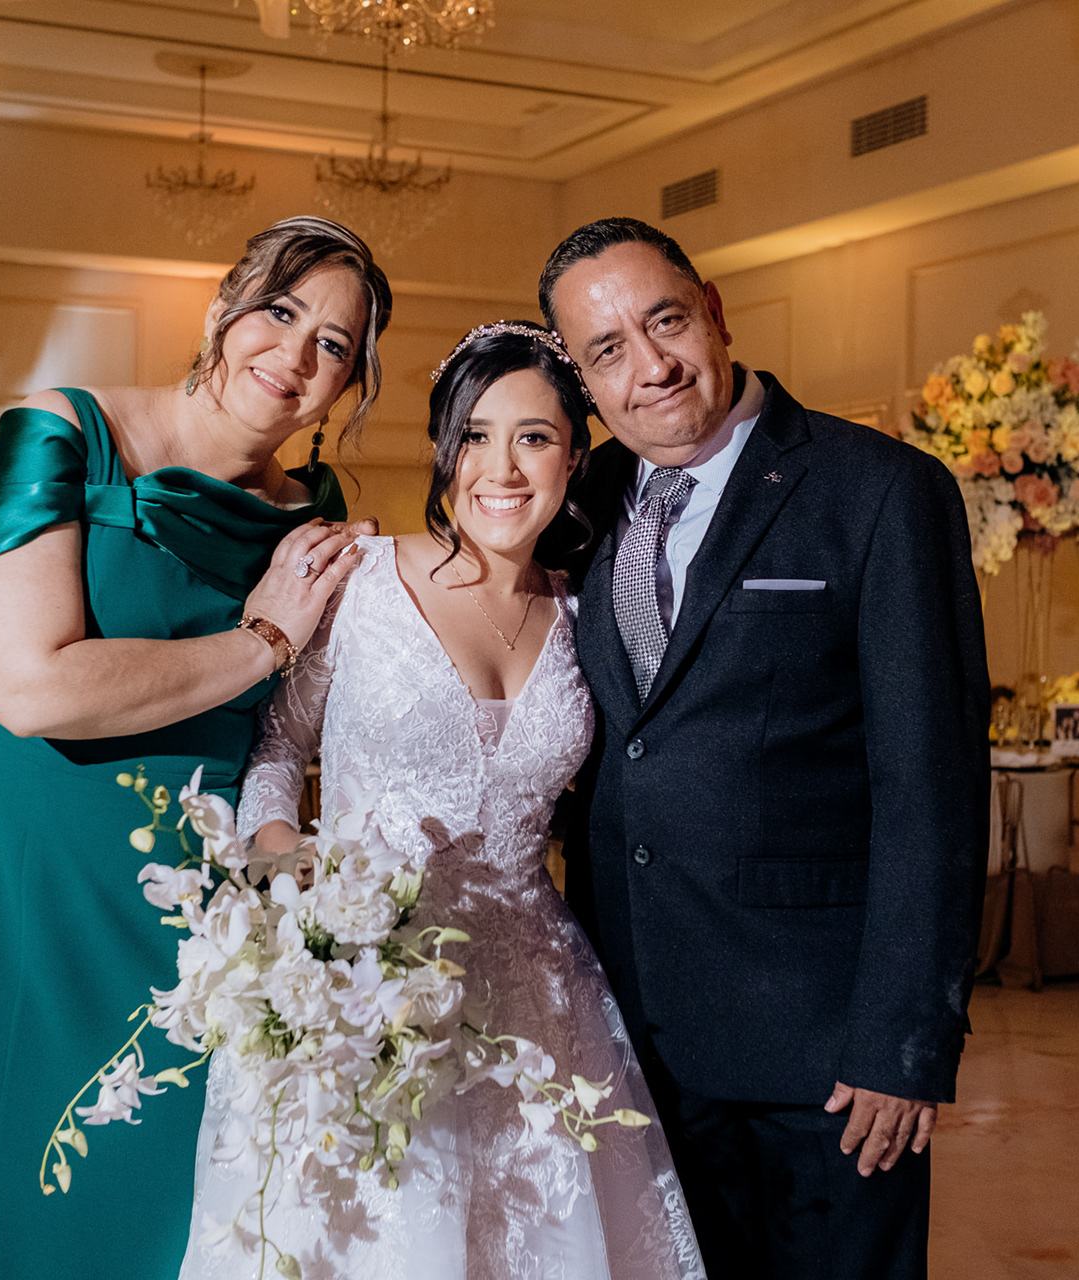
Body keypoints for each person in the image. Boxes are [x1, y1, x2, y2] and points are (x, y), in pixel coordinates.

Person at [0, 217, 392, 1280]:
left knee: (174, 1196)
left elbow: (300, 727)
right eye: (279, 311)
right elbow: (30, 685)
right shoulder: (65, 432)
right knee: (14, 1173)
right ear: (220, 309)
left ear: (345, 387)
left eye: (334, 345)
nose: (296, 355)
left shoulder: (315, 515)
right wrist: (260, 640)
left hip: (209, 908)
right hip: (39, 887)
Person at [179, 323, 707, 1280]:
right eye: (474, 435)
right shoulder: (358, 582)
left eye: (534, 438)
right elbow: (278, 746)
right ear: (440, 448)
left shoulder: (586, 616)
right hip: (358, 989)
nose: (501, 469)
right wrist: (281, 860)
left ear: (575, 456)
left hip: (536, 1000)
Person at [537, 217, 990, 1280]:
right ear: (582, 379)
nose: (651, 367)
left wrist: (903, 1042)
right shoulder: (578, 505)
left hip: (825, 1059)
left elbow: (932, 789)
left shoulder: (880, 491)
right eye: (608, 351)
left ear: (716, 312)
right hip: (635, 1045)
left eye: (666, 322)